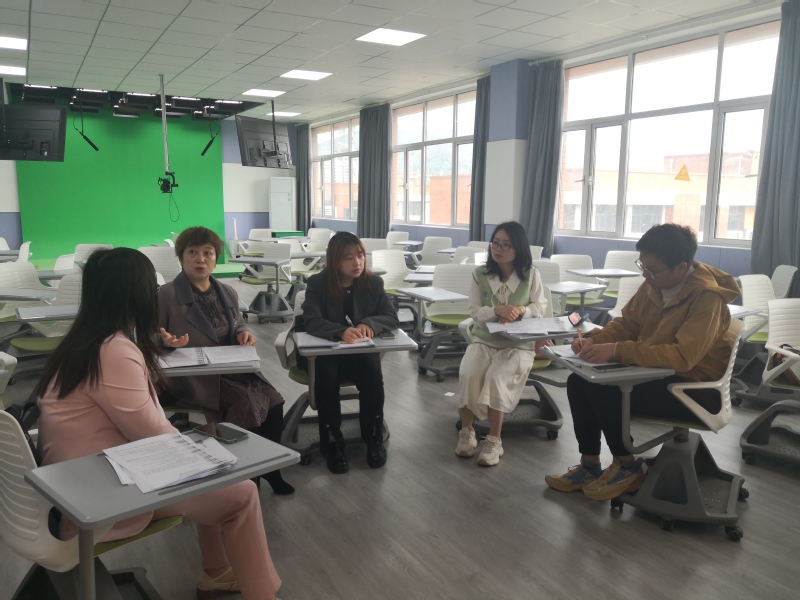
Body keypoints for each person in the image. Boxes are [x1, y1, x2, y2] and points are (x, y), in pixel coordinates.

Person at [37, 248, 282, 600]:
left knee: (214, 477)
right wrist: (203, 452)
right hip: (100, 495)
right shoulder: (113, 350)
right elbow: (153, 433)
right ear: (134, 294)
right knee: (241, 492)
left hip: (75, 482)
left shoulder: (82, 342)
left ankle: (217, 573)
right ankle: (261, 593)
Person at [545, 224, 739, 500]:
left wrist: (617, 351)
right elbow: (627, 324)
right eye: (642, 266)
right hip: (659, 375)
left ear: (681, 267)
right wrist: (594, 340)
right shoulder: (654, 285)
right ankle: (589, 466)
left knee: (602, 387)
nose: (645, 274)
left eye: (652, 269)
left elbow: (683, 358)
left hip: (693, 390)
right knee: (579, 381)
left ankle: (627, 467)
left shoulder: (707, 299)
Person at [158, 226, 293, 495]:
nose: (200, 259)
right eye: (192, 252)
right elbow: (149, 336)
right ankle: (246, 477)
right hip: (193, 376)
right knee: (246, 404)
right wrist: (166, 341)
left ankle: (270, 468)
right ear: (181, 257)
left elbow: (238, 323)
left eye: (208, 253)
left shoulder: (227, 291)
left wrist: (243, 332)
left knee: (274, 401)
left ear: (215, 257)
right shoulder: (166, 294)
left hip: (232, 367)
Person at [300, 232, 399, 474]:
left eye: (361, 255)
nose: (357, 262)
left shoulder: (373, 283)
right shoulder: (317, 283)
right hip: (328, 352)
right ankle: (333, 444)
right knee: (327, 381)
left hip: (359, 352)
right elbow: (311, 320)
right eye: (348, 258)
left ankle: (373, 439)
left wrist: (369, 323)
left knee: (373, 379)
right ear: (335, 260)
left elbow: (390, 316)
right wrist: (340, 331)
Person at [455, 222, 549, 466]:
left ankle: (494, 440)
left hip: (518, 345)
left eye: (506, 245)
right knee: (469, 372)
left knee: (496, 377)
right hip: (484, 340)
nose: (499, 249)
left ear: (519, 248)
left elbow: (540, 306)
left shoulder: (531, 274)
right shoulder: (480, 274)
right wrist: (497, 310)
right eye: (495, 243)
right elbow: (474, 311)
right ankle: (467, 431)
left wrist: (522, 310)